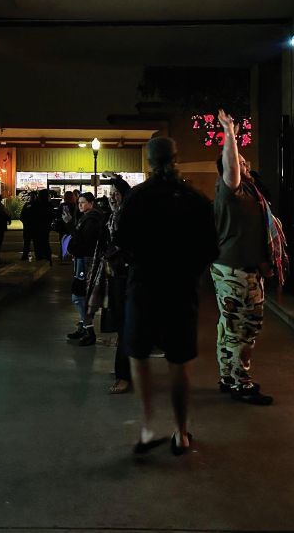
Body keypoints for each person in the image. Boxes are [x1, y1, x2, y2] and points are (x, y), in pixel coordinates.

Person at [116, 137, 218, 455]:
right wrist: (190, 273)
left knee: (138, 356)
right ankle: (182, 431)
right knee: (178, 362)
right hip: (180, 288)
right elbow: (210, 248)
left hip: (144, 286)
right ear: (176, 158)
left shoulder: (136, 199)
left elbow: (122, 242)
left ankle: (147, 427)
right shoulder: (195, 200)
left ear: (148, 162)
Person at [211, 109, 287, 405]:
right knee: (245, 326)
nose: (243, 162)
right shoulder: (231, 191)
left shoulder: (248, 192)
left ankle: (228, 376)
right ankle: (240, 382)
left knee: (230, 326)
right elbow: (229, 164)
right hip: (236, 272)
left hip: (239, 269)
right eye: (238, 161)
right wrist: (229, 133)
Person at [85, 173, 132, 393]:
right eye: (110, 194)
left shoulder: (127, 216)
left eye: (116, 194)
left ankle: (125, 374)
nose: (112, 198)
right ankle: (125, 371)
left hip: (124, 277)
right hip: (114, 276)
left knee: (124, 325)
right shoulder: (112, 217)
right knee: (120, 323)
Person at [67, 192, 104, 346]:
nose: (80, 205)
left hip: (85, 261)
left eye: (83, 202)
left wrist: (70, 224)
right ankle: (84, 326)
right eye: (79, 202)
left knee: (79, 295)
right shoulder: (88, 218)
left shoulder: (92, 219)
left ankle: (88, 329)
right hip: (83, 259)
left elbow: (84, 240)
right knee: (80, 295)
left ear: (91, 203)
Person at [20, 191, 36, 261]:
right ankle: (38, 256)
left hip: (28, 227)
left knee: (27, 243)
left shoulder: (27, 205)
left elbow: (22, 216)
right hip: (33, 227)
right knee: (35, 243)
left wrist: (25, 223)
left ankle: (25, 256)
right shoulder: (37, 205)